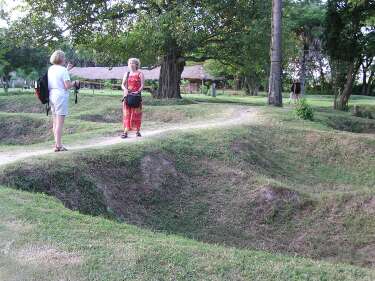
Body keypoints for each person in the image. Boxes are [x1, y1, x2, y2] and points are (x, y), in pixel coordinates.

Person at [48, 50, 78, 152]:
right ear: (61, 58)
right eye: (64, 57)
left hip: (51, 95)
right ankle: (59, 145)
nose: (65, 59)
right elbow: (67, 86)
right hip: (60, 96)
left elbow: (58, 77)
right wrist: (75, 83)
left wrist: (67, 69)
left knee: (55, 122)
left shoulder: (51, 69)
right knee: (60, 123)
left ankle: (56, 144)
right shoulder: (62, 70)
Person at [121, 58, 145, 139]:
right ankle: (125, 132)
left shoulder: (140, 74)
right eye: (130, 63)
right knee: (126, 114)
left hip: (136, 96)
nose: (131, 64)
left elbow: (142, 85)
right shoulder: (126, 74)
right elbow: (122, 85)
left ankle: (137, 130)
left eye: (133, 63)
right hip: (127, 96)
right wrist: (125, 89)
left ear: (137, 65)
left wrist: (137, 91)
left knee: (136, 114)